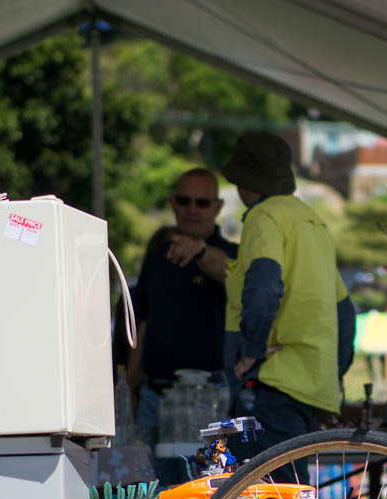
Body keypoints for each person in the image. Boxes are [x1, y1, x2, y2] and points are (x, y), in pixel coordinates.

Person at [220, 132, 355, 462]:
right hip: (310, 385)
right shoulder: (312, 222)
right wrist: (332, 373)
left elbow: (264, 286)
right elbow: (345, 312)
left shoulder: (263, 217)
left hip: (274, 381)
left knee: (269, 498)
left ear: (243, 181)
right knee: (292, 495)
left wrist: (251, 351)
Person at [126, 168, 237, 443]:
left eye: (202, 203)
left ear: (217, 207)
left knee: (206, 485)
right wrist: (129, 388)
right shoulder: (157, 257)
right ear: (173, 202)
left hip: (209, 400)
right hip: (154, 397)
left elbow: (228, 272)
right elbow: (142, 324)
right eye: (184, 201)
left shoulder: (231, 254)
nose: (192, 209)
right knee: (152, 485)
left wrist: (199, 250)